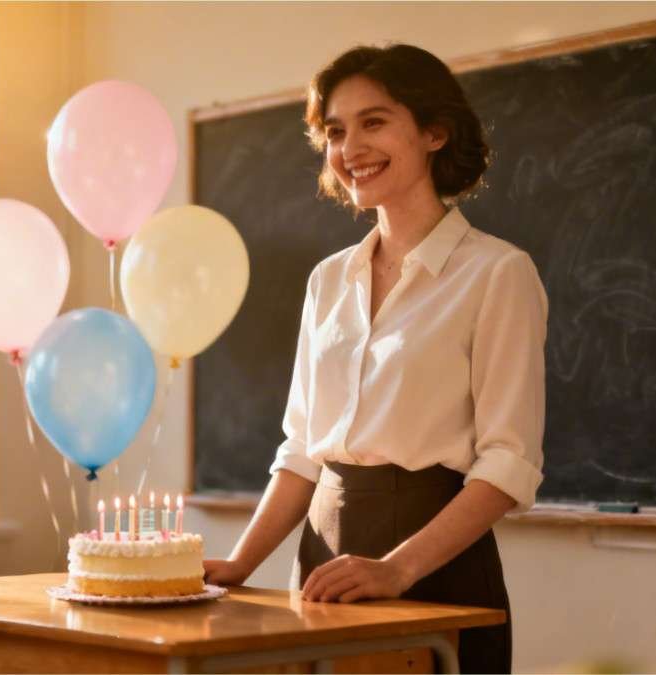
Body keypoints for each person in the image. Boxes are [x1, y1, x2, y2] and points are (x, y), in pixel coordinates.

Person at [202, 43, 548, 674]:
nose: (350, 148)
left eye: (375, 122)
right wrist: (238, 564)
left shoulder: (498, 272)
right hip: (321, 564)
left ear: (435, 132)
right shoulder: (327, 280)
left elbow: (509, 462)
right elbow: (303, 451)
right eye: (335, 131)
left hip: (435, 568)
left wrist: (397, 568)